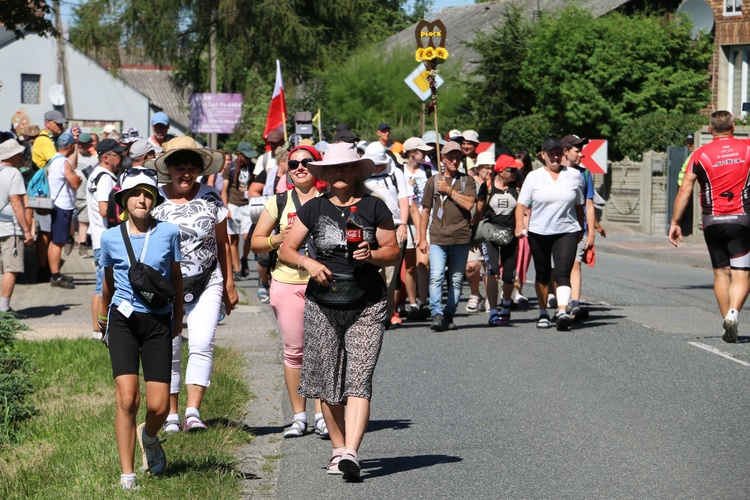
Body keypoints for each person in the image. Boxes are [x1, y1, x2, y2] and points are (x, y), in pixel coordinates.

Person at [278, 142, 399, 480]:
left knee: (359, 378)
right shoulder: (314, 208)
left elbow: (392, 251)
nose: (340, 173)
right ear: (325, 174)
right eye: (333, 168)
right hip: (323, 304)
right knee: (329, 380)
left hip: (366, 304)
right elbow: (286, 249)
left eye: (346, 167)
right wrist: (308, 262)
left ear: (357, 171)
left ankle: (351, 452)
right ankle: (337, 447)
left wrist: (371, 256)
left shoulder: (375, 207)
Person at [99, 169, 183, 490]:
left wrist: (178, 317)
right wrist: (103, 317)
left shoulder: (169, 232)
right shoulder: (109, 237)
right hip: (123, 321)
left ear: (155, 200)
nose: (142, 199)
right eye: (135, 193)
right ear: (123, 199)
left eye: (148, 193)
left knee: (159, 405)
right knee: (127, 399)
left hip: (159, 320)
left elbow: (175, 277)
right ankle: (127, 474)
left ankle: (149, 436)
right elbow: (108, 280)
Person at [151, 136, 239, 432]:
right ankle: (172, 415)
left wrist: (229, 285)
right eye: (179, 167)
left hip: (208, 280)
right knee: (171, 347)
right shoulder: (154, 198)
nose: (185, 173)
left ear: (199, 170)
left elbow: (224, 242)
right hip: (166, 285)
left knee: (201, 343)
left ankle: (193, 412)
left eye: (191, 167)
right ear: (169, 169)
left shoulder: (211, 196)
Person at [250, 145, 328, 439]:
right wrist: (278, 238)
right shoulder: (280, 201)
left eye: (307, 162)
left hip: (323, 283)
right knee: (294, 352)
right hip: (286, 283)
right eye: (294, 163)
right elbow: (256, 242)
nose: (300, 167)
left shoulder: (329, 200)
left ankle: (323, 414)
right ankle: (299, 417)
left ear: (318, 166)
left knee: (321, 351)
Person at [670, 110, 750, 343]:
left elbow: (685, 189)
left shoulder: (699, 154)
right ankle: (733, 315)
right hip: (742, 218)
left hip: (712, 221)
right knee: (742, 272)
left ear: (709, 129)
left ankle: (727, 319)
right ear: (733, 127)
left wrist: (675, 222)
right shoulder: (747, 148)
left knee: (720, 272)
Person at [515, 138, 584, 331]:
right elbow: (521, 204)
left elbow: (579, 205)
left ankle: (562, 311)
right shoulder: (534, 177)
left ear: (562, 155)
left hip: (567, 230)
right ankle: (543, 312)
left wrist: (581, 228)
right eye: (551, 153)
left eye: (558, 153)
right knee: (542, 274)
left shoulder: (574, 176)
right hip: (540, 231)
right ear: (543, 155)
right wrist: (519, 225)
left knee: (563, 272)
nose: (555, 157)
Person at [418, 141, 477, 332]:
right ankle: (437, 313)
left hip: (461, 236)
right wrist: (422, 236)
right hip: (438, 237)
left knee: (457, 277)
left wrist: (449, 191)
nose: (454, 160)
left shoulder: (466, 181)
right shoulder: (433, 181)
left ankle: (449, 313)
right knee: (436, 276)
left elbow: (469, 205)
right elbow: (425, 210)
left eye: (457, 156)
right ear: (442, 159)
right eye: (450, 157)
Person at [362, 142, 410, 327]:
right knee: (370, 272)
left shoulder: (395, 173)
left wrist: (403, 224)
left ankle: (387, 314)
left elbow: (404, 199)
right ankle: (369, 312)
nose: (376, 168)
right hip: (368, 229)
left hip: (394, 227)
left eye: (379, 164)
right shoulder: (361, 174)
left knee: (390, 275)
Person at [561, 134, 606, 322]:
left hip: (579, 228)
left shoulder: (584, 173)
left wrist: (591, 234)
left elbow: (589, 204)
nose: (581, 155)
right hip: (556, 227)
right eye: (577, 151)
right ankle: (558, 301)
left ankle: (575, 304)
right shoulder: (553, 172)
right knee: (558, 267)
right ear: (565, 151)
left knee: (575, 263)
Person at [87, 138, 126, 340]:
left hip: (98, 237)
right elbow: (104, 210)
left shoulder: (95, 174)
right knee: (103, 285)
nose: (121, 158)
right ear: (105, 157)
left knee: (101, 284)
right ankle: (98, 330)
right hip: (105, 238)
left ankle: (97, 329)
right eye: (117, 155)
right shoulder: (105, 178)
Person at [478, 154, 522, 326]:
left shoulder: (517, 187)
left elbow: (523, 209)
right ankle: (493, 311)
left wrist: (521, 226)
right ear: (501, 171)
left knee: (509, 275)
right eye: (511, 170)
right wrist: (473, 234)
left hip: (510, 235)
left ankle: (506, 304)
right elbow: (479, 212)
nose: (514, 172)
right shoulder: (487, 187)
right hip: (490, 234)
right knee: (492, 271)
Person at [401, 137, 436, 320]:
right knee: (410, 267)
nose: (426, 153)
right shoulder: (399, 172)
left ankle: (424, 302)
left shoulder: (429, 170)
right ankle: (412, 303)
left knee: (424, 263)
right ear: (412, 152)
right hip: (406, 223)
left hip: (426, 222)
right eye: (422, 151)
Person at [31, 110, 67, 283]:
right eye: (57, 123)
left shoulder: (48, 139)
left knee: (46, 231)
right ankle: (44, 270)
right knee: (45, 232)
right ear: (48, 123)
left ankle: (45, 269)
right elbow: (57, 162)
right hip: (42, 191)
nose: (61, 126)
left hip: (43, 191)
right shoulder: (44, 141)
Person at [0, 140, 34, 317]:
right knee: (10, 269)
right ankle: (4, 309)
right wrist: (27, 230)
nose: (22, 157)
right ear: (12, 155)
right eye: (20, 153)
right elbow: (17, 204)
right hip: (9, 229)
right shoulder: (13, 173)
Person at [48, 132, 82, 288]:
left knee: (56, 240)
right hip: (62, 205)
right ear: (69, 146)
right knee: (58, 242)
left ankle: (55, 274)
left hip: (56, 203)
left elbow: (72, 165)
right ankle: (55, 276)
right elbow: (75, 183)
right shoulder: (64, 163)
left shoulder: (55, 160)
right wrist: (78, 178)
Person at [221, 142, 257, 280]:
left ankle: (244, 258)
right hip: (233, 205)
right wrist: (226, 207)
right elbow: (224, 190)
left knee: (248, 238)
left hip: (247, 205)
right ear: (240, 154)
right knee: (234, 239)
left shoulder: (252, 167)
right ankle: (236, 269)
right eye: (246, 157)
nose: (248, 159)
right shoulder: (230, 168)